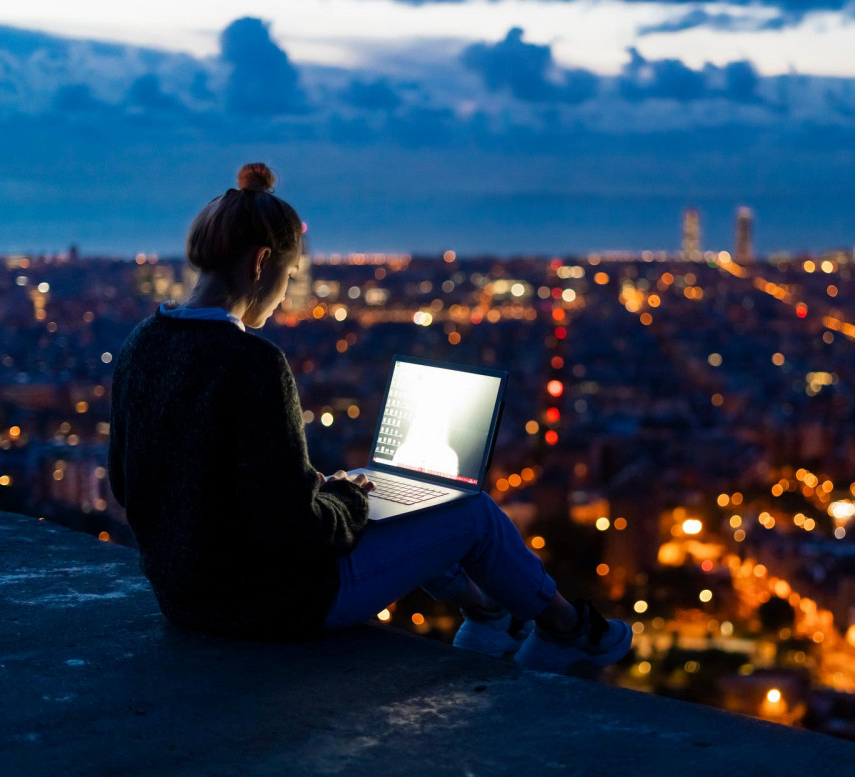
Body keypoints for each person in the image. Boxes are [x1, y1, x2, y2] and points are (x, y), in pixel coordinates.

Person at [107, 162, 631, 675]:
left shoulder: (142, 343)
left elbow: (128, 483)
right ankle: (567, 632)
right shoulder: (252, 364)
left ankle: (489, 618)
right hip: (269, 604)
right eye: (289, 276)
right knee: (470, 514)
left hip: (184, 597)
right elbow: (300, 528)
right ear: (262, 262)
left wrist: (320, 491)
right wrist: (349, 500)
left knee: (403, 510)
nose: (286, 294)